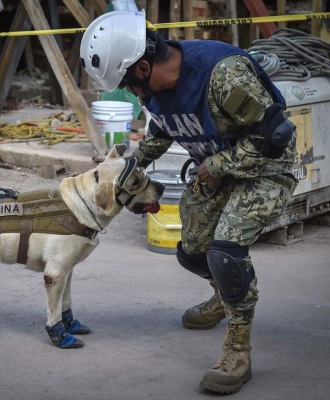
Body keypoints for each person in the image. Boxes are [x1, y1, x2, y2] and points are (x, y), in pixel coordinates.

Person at [80, 10, 298, 395]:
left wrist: (217, 163)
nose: (131, 94)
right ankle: (223, 298)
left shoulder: (222, 73)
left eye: (129, 85)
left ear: (143, 67)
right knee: (192, 251)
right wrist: (129, 166)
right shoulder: (158, 90)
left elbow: (275, 135)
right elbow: (162, 128)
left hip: (266, 170)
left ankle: (238, 352)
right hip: (215, 171)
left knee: (225, 251)